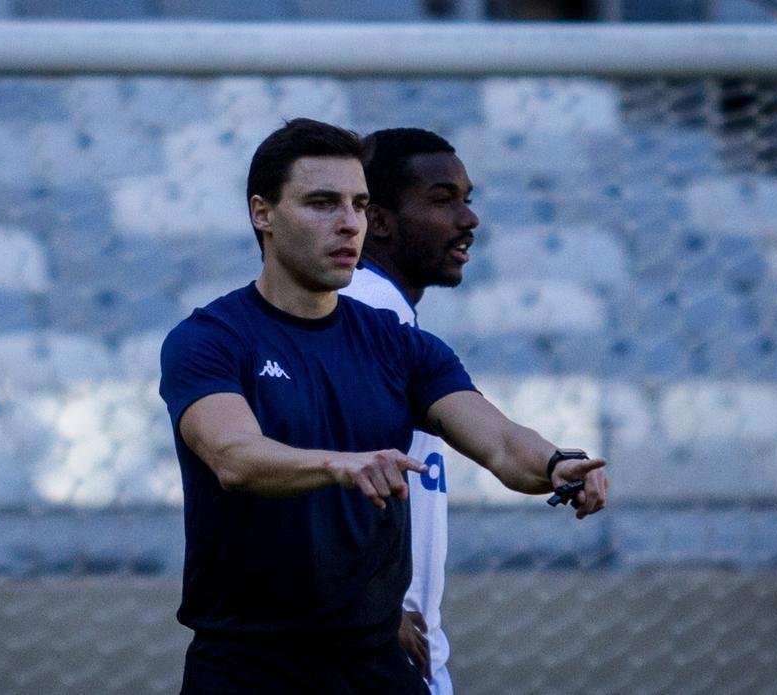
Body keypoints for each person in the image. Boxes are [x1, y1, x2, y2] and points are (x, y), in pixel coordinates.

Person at [159, 118, 607, 694]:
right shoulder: (211, 339)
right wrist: (336, 463)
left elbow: (499, 442)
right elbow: (234, 456)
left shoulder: (399, 344)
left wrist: (554, 464)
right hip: (249, 666)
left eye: (360, 204)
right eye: (323, 203)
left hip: (375, 665)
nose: (350, 223)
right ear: (261, 213)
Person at [341, 127, 494, 692]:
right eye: (441, 199)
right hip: (369, 652)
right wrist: (371, 607)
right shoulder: (363, 309)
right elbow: (316, 468)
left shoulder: (388, 314)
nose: (468, 218)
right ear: (378, 220)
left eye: (467, 198)